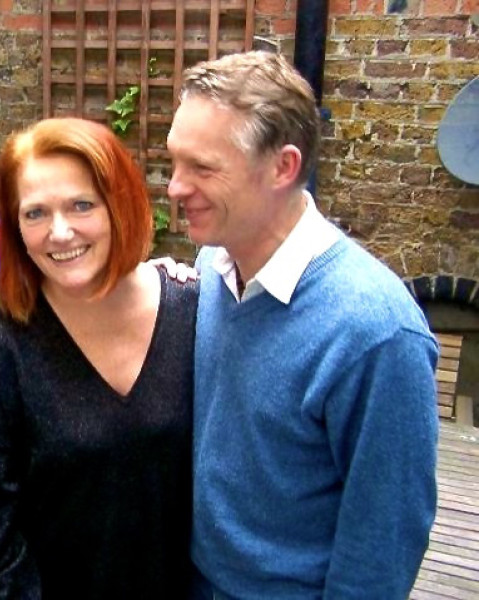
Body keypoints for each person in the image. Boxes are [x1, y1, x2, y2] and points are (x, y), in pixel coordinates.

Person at [166, 50, 439, 599]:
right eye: (175, 162)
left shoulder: (376, 333)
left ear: (283, 167)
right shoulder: (212, 269)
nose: (174, 187)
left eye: (203, 168)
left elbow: (382, 547)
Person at [0, 117, 198, 600]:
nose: (59, 233)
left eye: (81, 205)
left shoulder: (193, 312)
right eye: (35, 213)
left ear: (118, 206)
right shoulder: (1, 347)